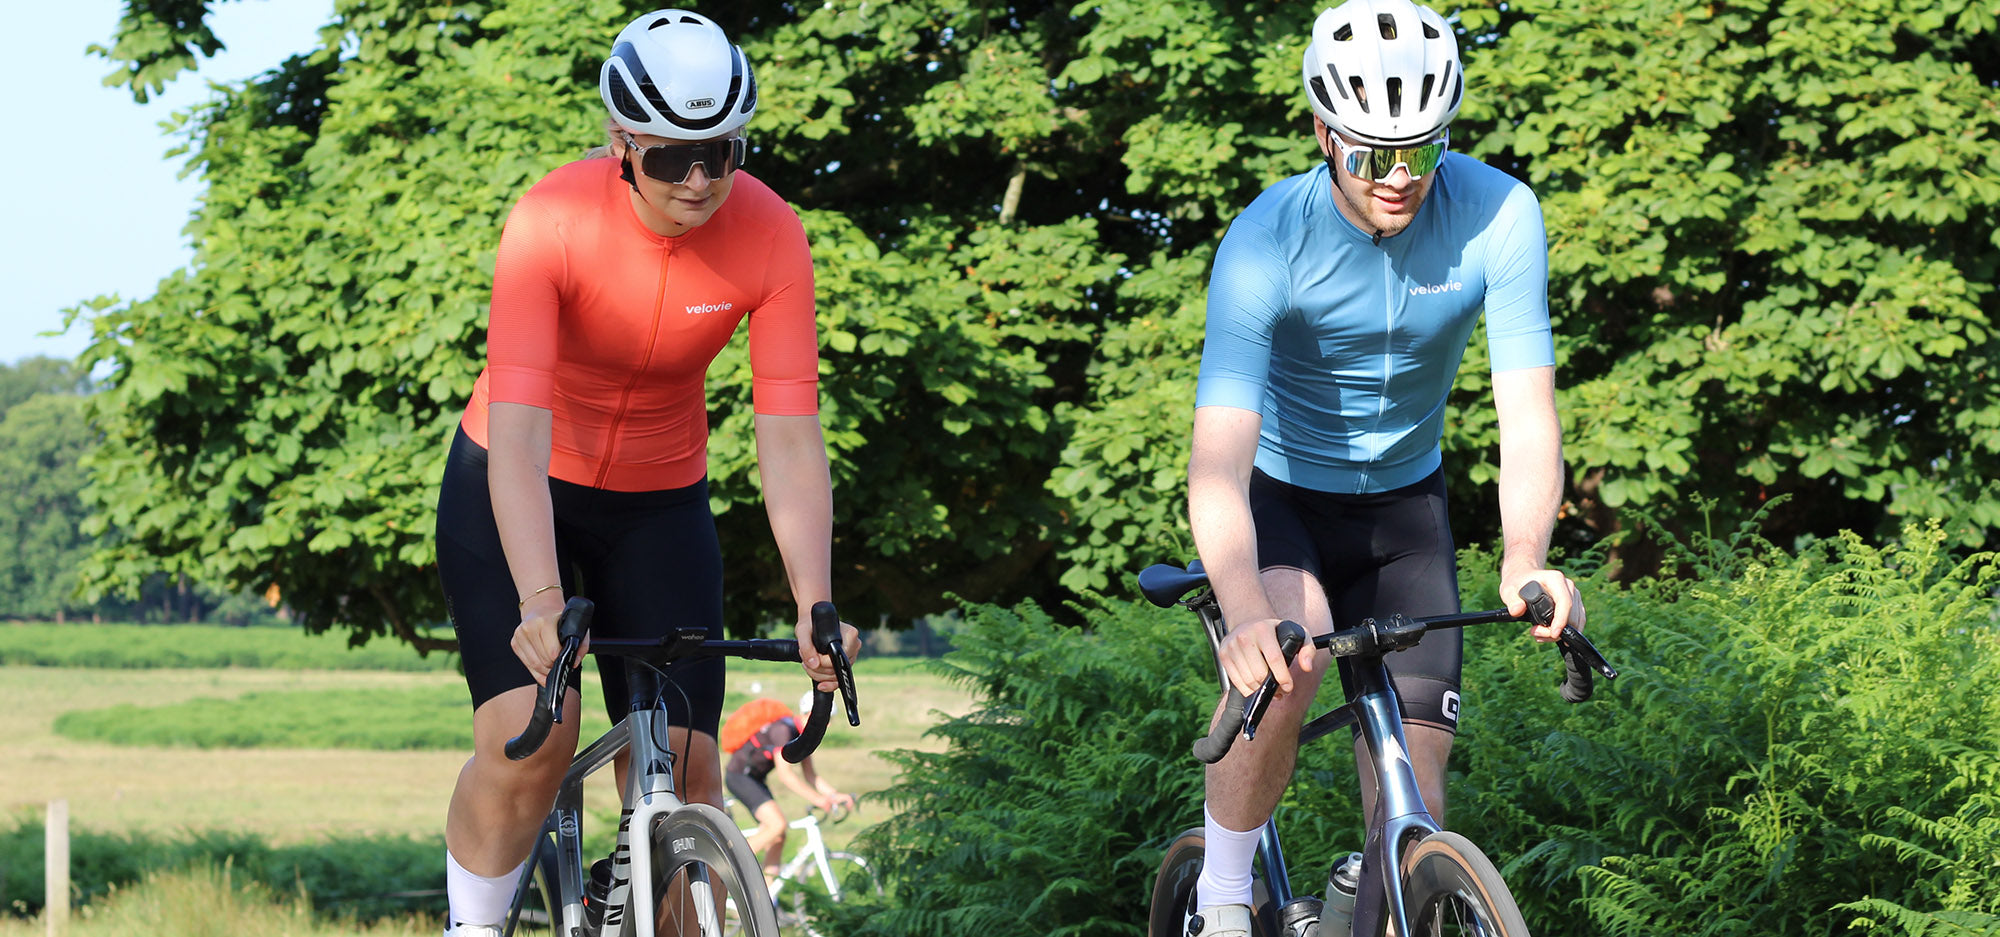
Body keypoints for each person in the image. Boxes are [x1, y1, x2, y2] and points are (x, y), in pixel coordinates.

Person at [430, 10, 859, 936]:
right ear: (623, 143)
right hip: (516, 482)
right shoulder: (551, 218)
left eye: (722, 152)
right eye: (672, 159)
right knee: (532, 740)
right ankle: (472, 924)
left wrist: (815, 604)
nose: (701, 180)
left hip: (660, 499)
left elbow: (787, 434)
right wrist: (541, 599)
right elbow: (519, 435)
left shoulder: (771, 231)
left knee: (693, 771)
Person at [1182, 0, 1587, 933]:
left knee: (1418, 810)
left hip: (1407, 508)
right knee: (1292, 653)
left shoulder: (1501, 214)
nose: (1400, 177)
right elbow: (1217, 462)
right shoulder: (1263, 241)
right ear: (1324, 134)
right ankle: (1223, 897)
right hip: (1281, 497)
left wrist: (1524, 555)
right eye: (1370, 154)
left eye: (1424, 148)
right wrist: (1244, 610)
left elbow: (1526, 414)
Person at [721, 694, 858, 887]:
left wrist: (834, 796)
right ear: (810, 714)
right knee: (777, 825)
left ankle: (767, 896)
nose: (827, 725)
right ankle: (722, 868)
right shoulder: (783, 730)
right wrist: (819, 801)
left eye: (829, 720)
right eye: (824, 718)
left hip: (756, 779)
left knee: (778, 836)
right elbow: (786, 775)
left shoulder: (804, 737)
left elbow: (811, 776)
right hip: (739, 777)